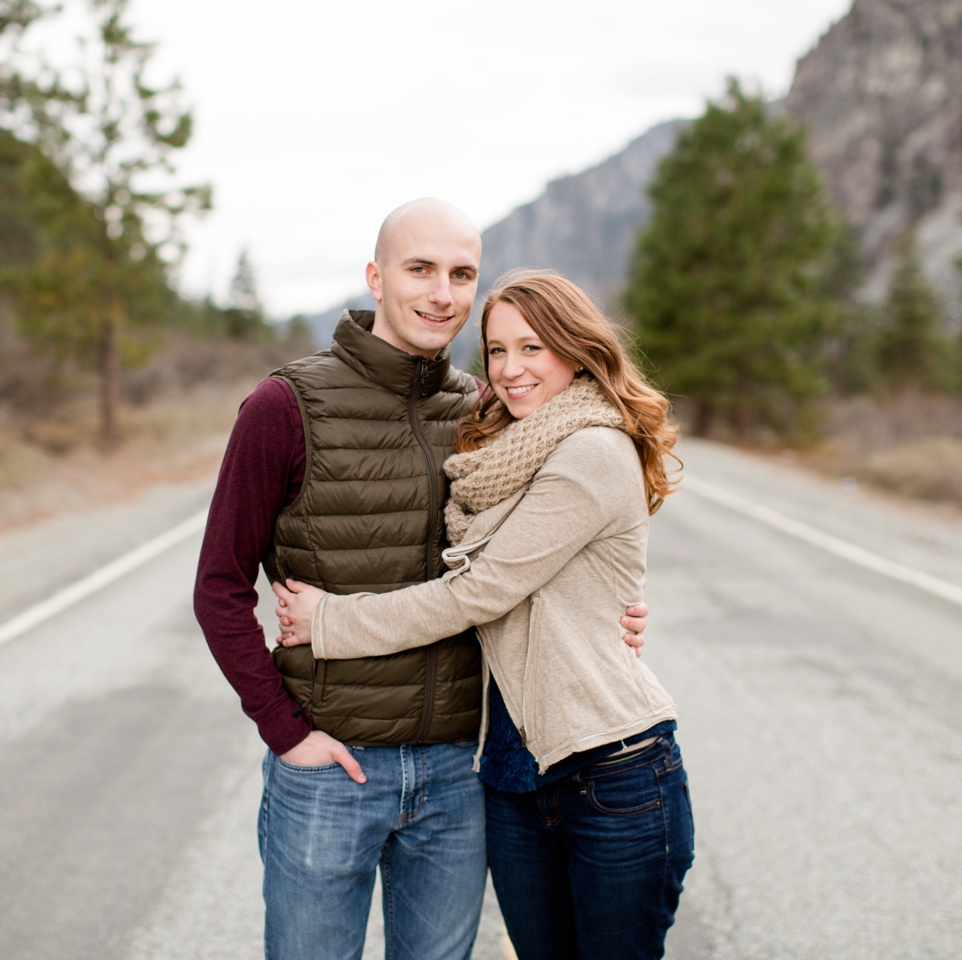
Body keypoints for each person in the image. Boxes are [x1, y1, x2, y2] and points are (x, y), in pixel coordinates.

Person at [191, 200, 649, 960]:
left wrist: (615, 615)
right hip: (329, 768)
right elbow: (218, 585)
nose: (442, 293)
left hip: (457, 774)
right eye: (420, 269)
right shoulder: (284, 407)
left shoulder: (488, 408)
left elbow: (550, 551)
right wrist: (285, 730)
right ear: (376, 277)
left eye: (462, 274)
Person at [274, 270, 695, 960]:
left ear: (577, 349)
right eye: (496, 351)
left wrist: (329, 623)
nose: (509, 369)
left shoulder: (590, 449)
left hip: (610, 775)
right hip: (512, 774)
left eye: (533, 348)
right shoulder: (503, 452)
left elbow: (477, 591)